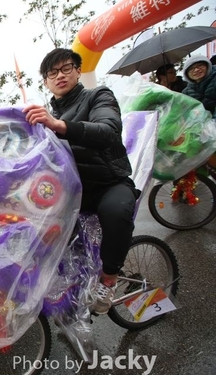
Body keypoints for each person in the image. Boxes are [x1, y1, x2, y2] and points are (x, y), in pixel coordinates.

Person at [23, 48, 140, 315]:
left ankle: (109, 278)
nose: (60, 76)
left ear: (78, 71)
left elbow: (108, 131)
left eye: (66, 68)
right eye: (52, 73)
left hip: (109, 183)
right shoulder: (42, 117)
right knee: (38, 234)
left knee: (116, 213)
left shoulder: (98, 96)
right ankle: (67, 294)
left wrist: (59, 126)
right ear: (46, 82)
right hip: (70, 194)